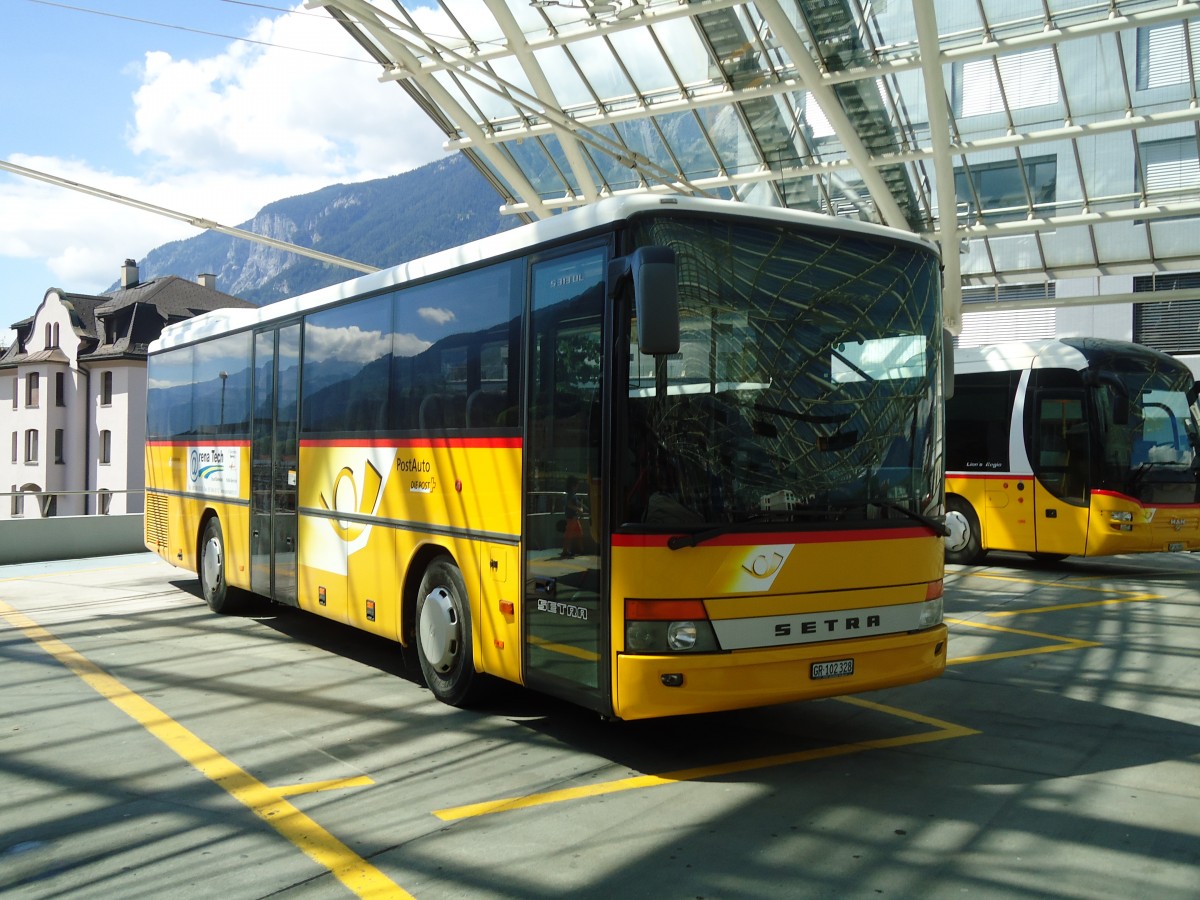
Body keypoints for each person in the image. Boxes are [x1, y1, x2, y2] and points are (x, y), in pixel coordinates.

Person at [561, 476, 584, 558]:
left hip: (574, 517)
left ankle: (579, 550)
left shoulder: (572, 494)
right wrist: (579, 509)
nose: (578, 486)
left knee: (579, 533)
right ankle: (565, 551)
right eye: (577, 485)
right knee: (569, 534)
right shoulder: (571, 494)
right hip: (572, 518)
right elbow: (569, 505)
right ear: (574, 485)